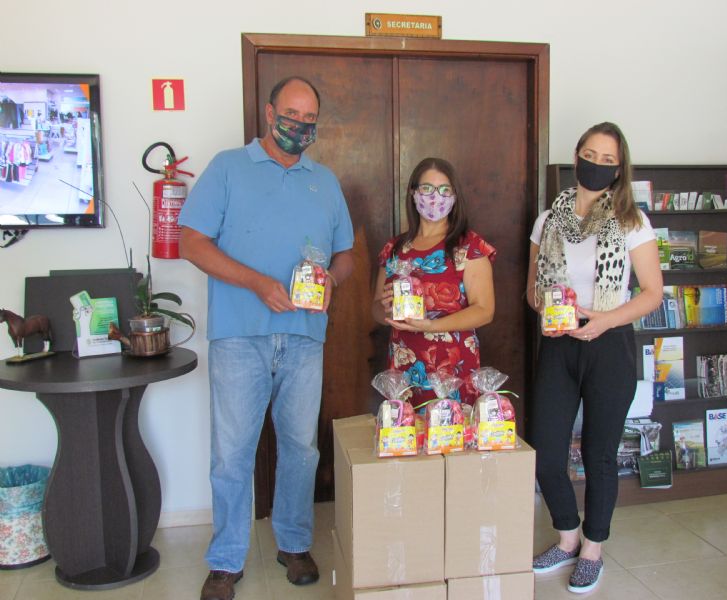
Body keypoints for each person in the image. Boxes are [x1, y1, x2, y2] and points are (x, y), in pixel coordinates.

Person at [178, 76, 354, 600]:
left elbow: (345, 254)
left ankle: (293, 542)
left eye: (309, 120)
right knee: (233, 452)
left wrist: (331, 285)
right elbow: (191, 242)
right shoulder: (227, 168)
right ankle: (227, 559)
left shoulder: (325, 181)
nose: (299, 125)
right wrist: (256, 282)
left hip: (304, 336)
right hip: (240, 335)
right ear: (269, 111)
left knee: (300, 449)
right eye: (291, 114)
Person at [526, 122, 662, 594]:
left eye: (608, 160)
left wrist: (603, 320)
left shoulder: (631, 221)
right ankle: (566, 538)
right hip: (560, 344)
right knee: (545, 451)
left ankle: (592, 549)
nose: (597, 165)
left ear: (620, 167)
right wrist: (549, 308)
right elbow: (531, 292)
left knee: (600, 454)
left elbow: (652, 294)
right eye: (590, 154)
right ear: (576, 155)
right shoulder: (547, 220)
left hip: (609, 344)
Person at [372, 157, 496, 408]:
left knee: (450, 436)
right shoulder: (394, 249)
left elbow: (484, 311)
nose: (434, 197)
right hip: (404, 366)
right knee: (404, 438)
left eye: (444, 190)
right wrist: (384, 307)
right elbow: (375, 309)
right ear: (413, 192)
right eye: (427, 188)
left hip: (452, 368)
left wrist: (430, 325)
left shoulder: (468, 247)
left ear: (454, 196)